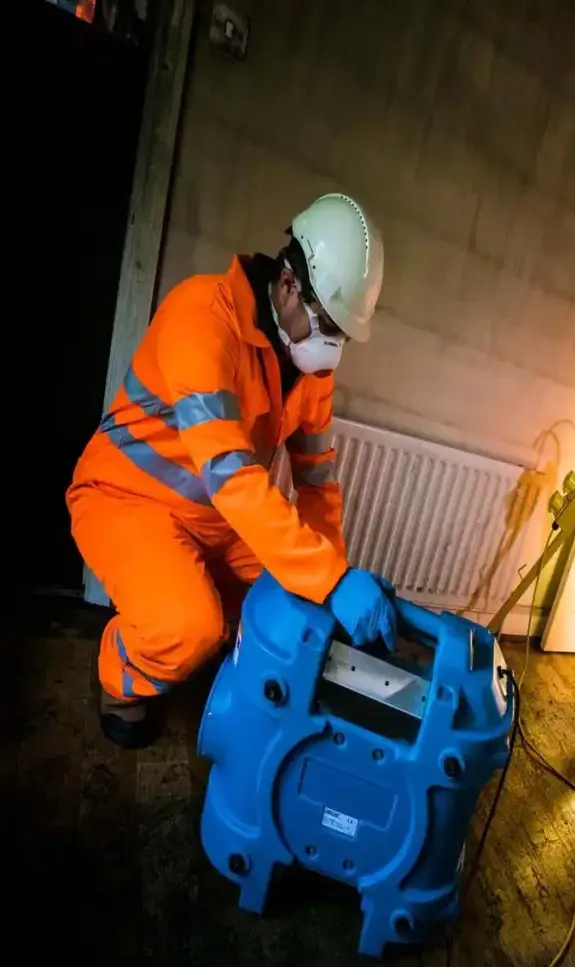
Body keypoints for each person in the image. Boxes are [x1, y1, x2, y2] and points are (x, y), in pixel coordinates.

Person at [68, 193, 398, 750]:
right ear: (288, 286)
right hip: (127, 498)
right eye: (327, 325)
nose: (333, 348)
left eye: (342, 334)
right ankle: (120, 675)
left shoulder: (308, 368)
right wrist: (333, 581)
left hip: (219, 516)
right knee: (188, 626)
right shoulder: (202, 319)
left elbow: (317, 479)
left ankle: (206, 641)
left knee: (293, 606)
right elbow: (231, 475)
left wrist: (331, 580)